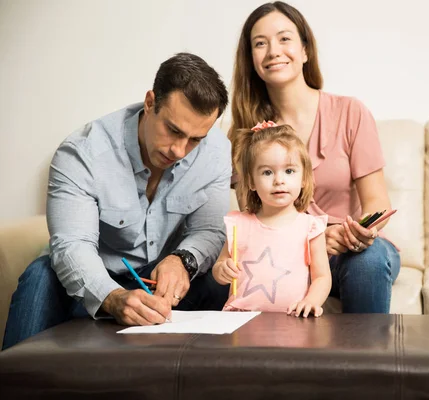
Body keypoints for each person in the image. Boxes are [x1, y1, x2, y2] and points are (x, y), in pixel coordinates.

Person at [2, 52, 231, 350]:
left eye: (195, 139)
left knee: (220, 280)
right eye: (173, 130)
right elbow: (73, 245)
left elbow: (209, 230)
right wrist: (112, 297)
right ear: (150, 103)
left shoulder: (215, 151)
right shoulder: (82, 153)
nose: (179, 150)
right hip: (94, 285)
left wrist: (183, 261)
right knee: (40, 275)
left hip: (163, 288)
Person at [228, 2, 401, 314]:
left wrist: (350, 235)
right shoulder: (246, 133)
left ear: (305, 50)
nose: (272, 51)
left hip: (351, 250)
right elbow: (254, 215)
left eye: (284, 39)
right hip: (287, 251)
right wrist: (313, 238)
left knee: (369, 261)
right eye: (260, 43)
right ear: (251, 59)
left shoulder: (351, 112)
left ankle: (368, 362)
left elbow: (378, 204)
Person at [212, 121, 331, 317]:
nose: (279, 180)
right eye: (267, 172)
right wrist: (222, 270)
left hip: (293, 318)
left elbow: (322, 277)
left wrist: (311, 302)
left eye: (289, 171)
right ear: (251, 181)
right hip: (241, 317)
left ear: (303, 178)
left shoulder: (310, 227)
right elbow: (220, 266)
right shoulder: (238, 225)